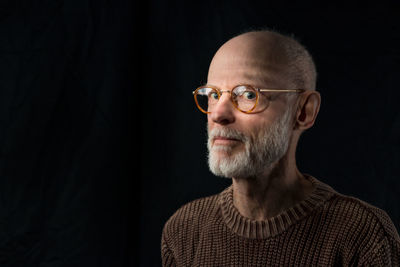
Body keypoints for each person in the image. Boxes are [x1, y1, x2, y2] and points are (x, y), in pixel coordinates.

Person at [161, 29, 400, 266]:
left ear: (304, 111)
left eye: (247, 94)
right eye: (213, 95)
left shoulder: (362, 236)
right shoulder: (184, 231)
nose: (219, 114)